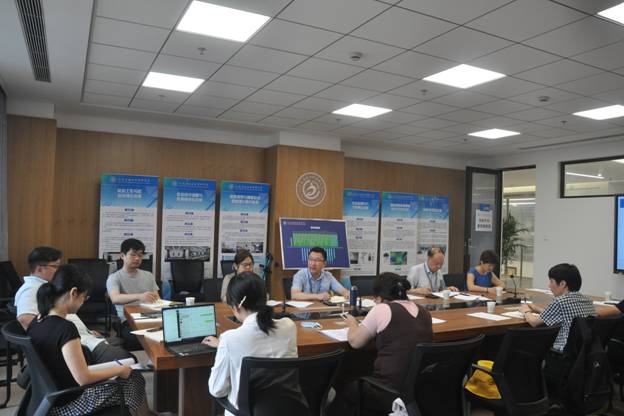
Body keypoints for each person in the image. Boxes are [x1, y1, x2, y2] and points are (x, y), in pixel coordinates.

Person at [28, 264, 152, 416]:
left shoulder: (37, 321)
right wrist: (120, 370)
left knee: (127, 376)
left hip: (49, 400)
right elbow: (83, 378)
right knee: (134, 380)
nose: (83, 303)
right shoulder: (65, 328)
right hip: (70, 403)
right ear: (73, 293)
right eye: (83, 298)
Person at [331, 273, 433, 416]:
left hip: (388, 391)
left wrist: (352, 323)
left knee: (344, 384)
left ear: (379, 297)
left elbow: (355, 342)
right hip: (419, 390)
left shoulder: (383, 308)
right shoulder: (424, 311)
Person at [14, 246, 132, 363]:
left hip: (80, 337)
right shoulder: (29, 290)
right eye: (55, 266)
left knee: (121, 343)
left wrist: (86, 331)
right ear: (40, 269)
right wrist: (60, 340)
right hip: (74, 343)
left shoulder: (45, 286)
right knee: (128, 359)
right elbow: (25, 319)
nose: (59, 270)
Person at [205, 272, 301, 415]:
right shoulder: (289, 326)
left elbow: (217, 390)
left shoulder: (229, 339)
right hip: (288, 410)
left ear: (236, 307)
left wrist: (225, 346)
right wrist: (225, 346)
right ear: (265, 298)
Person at [520, 263, 596, 352]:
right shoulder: (587, 300)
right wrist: (538, 309)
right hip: (583, 351)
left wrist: (525, 311)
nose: (549, 285)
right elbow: (564, 314)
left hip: (561, 352)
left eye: (551, 281)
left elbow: (534, 322)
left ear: (562, 284)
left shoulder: (560, 301)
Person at [107, 239, 160, 350]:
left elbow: (157, 299)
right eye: (133, 255)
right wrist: (140, 296)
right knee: (137, 339)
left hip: (150, 317)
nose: (137, 258)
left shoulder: (148, 275)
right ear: (122, 255)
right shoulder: (114, 278)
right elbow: (115, 298)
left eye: (140, 255)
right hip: (128, 320)